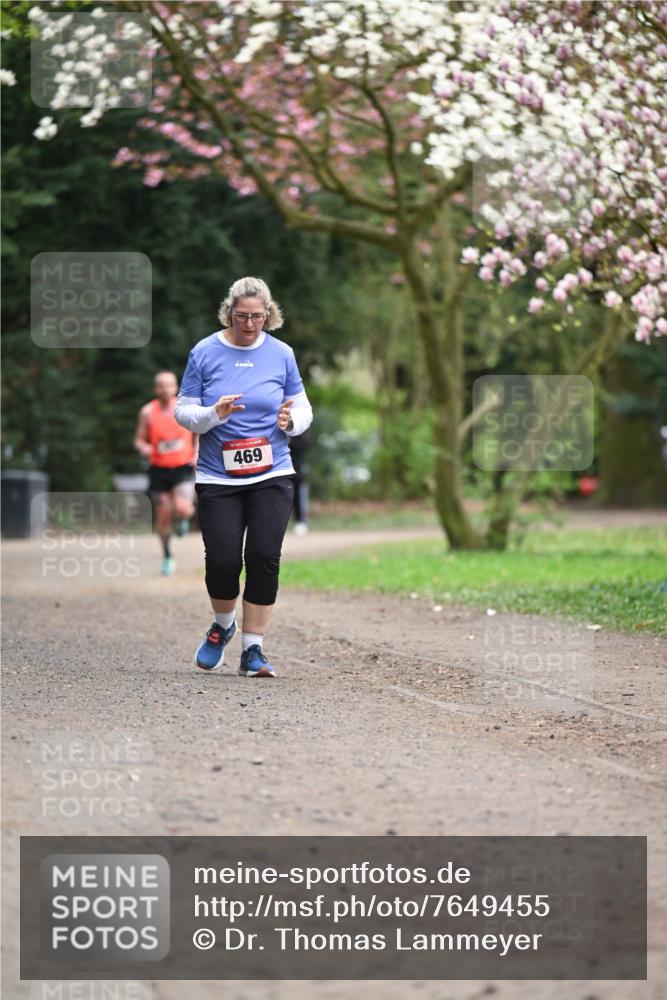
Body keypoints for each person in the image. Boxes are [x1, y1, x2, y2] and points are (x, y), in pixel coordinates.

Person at [174, 276, 313, 678]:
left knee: (264, 556)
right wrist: (213, 414)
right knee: (222, 561)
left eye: (257, 317)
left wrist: (291, 422)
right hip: (219, 475)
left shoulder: (282, 353)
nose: (250, 324)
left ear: (268, 314)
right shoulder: (204, 352)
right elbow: (183, 411)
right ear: (229, 313)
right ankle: (222, 626)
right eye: (242, 316)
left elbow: (303, 408)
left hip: (273, 471)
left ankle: (253, 650)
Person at [134, 371, 197, 575]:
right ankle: (168, 556)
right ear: (155, 388)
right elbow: (139, 439)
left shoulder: (184, 408)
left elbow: (198, 431)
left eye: (168, 385)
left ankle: (183, 520)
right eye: (161, 386)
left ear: (176, 387)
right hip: (159, 470)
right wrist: (143, 447)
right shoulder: (147, 412)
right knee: (163, 518)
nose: (165, 389)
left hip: (182, 467)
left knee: (184, 508)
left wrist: (197, 452)